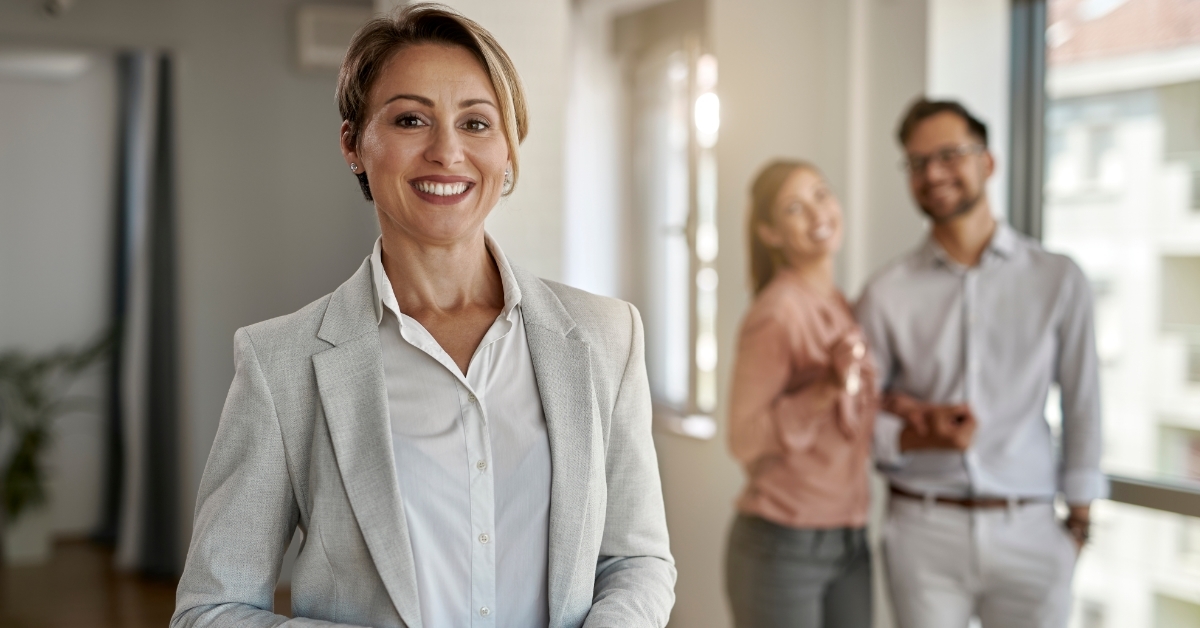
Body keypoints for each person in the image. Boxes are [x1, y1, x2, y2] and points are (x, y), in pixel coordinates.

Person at [171, 5, 675, 627]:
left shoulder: (607, 336)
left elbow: (637, 560)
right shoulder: (282, 365)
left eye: (476, 123)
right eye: (411, 119)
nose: (447, 151)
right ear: (354, 143)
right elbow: (209, 610)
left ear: (510, 149)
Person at [855, 98, 1104, 628]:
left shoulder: (1057, 278)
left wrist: (1078, 524)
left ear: (987, 162)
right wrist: (918, 435)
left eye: (949, 155)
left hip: (1032, 529)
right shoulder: (885, 293)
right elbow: (858, 419)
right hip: (923, 529)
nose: (934, 173)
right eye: (918, 163)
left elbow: (1084, 405)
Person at [724, 160, 878, 628]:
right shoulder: (778, 312)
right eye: (795, 207)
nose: (817, 213)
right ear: (771, 233)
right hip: (784, 544)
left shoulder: (841, 305)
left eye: (821, 194)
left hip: (849, 539)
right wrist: (825, 390)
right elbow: (743, 439)